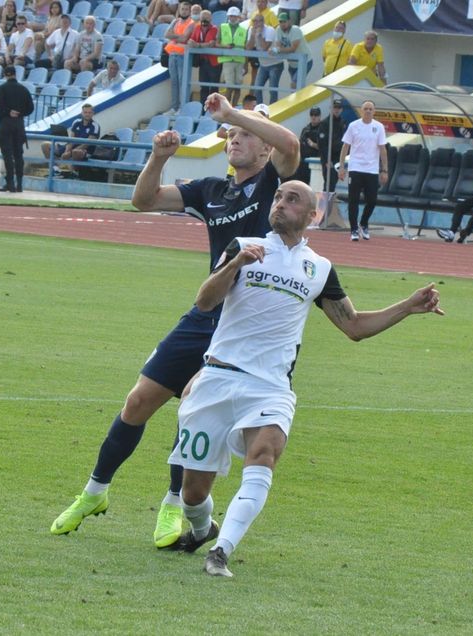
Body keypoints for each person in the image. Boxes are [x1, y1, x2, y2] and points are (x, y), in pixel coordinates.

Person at [49, 92, 301, 549]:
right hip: (206, 311)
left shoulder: (273, 187)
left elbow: (289, 144)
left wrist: (231, 115)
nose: (235, 139)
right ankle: (94, 493)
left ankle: (170, 506)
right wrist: (158, 157)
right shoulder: (211, 190)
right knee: (138, 402)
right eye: (231, 135)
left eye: (246, 135)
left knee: (191, 408)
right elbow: (142, 200)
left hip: (244, 326)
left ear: (263, 147)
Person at [170, 180, 444, 577]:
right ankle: (202, 529)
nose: (280, 204)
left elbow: (353, 325)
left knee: (264, 453)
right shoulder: (243, 245)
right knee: (194, 492)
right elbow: (204, 301)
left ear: (313, 216)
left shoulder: (319, 267)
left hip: (271, 385)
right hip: (218, 376)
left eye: (292, 199)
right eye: (278, 197)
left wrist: (408, 306)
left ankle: (221, 552)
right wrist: (235, 264)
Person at [337, 99, 388, 241]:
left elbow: (383, 149)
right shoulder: (354, 126)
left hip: (372, 170)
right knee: (353, 200)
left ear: (374, 111)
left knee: (372, 200)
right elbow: (345, 147)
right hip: (355, 168)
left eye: (370, 109)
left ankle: (363, 223)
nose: (368, 111)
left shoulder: (379, 127)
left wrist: (385, 170)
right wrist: (342, 167)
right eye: (365, 108)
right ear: (361, 110)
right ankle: (353, 229)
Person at [0, 65, 33, 192]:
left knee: (7, 155)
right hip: (19, 124)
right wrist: (20, 113)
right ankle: (20, 184)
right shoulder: (24, 90)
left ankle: (10, 183)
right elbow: (30, 108)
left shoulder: (1, 88)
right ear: (16, 74)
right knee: (18, 155)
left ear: (5, 75)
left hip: (5, 123)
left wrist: (8, 111)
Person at [164, 2, 195, 113]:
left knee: (183, 82)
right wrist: (178, 38)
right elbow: (166, 34)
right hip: (172, 54)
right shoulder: (175, 21)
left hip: (183, 55)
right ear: (179, 9)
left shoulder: (191, 23)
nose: (184, 11)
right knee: (174, 82)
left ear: (189, 11)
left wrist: (174, 38)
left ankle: (182, 107)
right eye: (182, 9)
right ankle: (174, 107)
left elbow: (184, 38)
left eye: (186, 9)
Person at [216, 7, 247, 105]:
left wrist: (246, 64)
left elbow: (246, 48)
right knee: (229, 86)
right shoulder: (222, 26)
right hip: (228, 59)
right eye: (231, 16)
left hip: (240, 60)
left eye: (235, 16)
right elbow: (216, 43)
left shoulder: (244, 29)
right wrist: (225, 46)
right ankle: (226, 108)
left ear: (238, 17)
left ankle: (233, 108)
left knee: (238, 86)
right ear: (228, 16)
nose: (233, 18)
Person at [189, 9, 220, 105]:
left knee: (214, 88)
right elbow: (190, 42)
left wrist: (197, 45)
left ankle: (214, 108)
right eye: (203, 17)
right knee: (203, 86)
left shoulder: (214, 28)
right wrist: (201, 45)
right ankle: (203, 108)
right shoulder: (197, 27)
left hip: (214, 62)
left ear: (210, 19)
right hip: (203, 62)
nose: (204, 20)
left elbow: (210, 44)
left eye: (206, 18)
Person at [274, 11, 310, 92]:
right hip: (292, 64)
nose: (282, 24)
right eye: (280, 21)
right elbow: (278, 46)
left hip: (305, 62)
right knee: (297, 87)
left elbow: (293, 49)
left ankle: (298, 103)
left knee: (294, 85)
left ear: (289, 21)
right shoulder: (278, 30)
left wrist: (279, 49)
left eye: (284, 21)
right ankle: (301, 102)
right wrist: (279, 49)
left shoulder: (296, 30)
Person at [247, 13, 278, 105]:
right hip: (263, 64)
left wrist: (259, 35)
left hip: (275, 64)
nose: (256, 23)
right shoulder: (251, 30)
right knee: (257, 88)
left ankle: (273, 109)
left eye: (259, 21)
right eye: (254, 21)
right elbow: (248, 47)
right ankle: (260, 109)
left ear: (263, 22)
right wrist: (253, 36)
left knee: (272, 89)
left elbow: (265, 48)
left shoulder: (270, 30)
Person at [317, 98, 347, 192]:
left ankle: (329, 203)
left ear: (341, 109)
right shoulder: (325, 123)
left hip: (339, 157)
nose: (337, 110)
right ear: (331, 108)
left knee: (333, 182)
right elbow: (322, 143)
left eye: (339, 108)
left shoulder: (343, 122)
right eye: (335, 107)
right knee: (329, 182)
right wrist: (327, 159)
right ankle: (324, 205)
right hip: (328, 157)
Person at [291, 106, 319, 184]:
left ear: (319, 116)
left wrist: (313, 145)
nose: (313, 117)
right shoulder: (306, 129)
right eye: (312, 115)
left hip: (314, 163)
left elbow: (326, 147)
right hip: (302, 163)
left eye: (316, 115)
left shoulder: (322, 129)